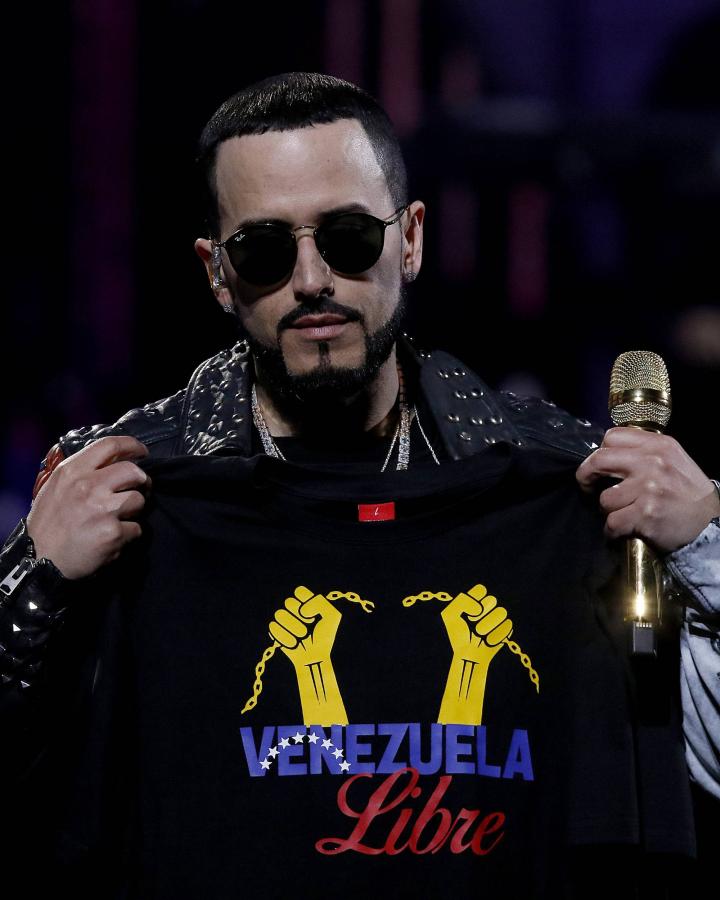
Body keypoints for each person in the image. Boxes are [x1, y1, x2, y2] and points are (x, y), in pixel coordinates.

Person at [1, 73, 718, 899]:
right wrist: (36, 581)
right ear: (216, 272)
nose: (311, 279)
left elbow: (695, 767)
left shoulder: (565, 480)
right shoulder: (128, 488)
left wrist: (706, 542)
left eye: (347, 237)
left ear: (409, 240)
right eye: (264, 249)